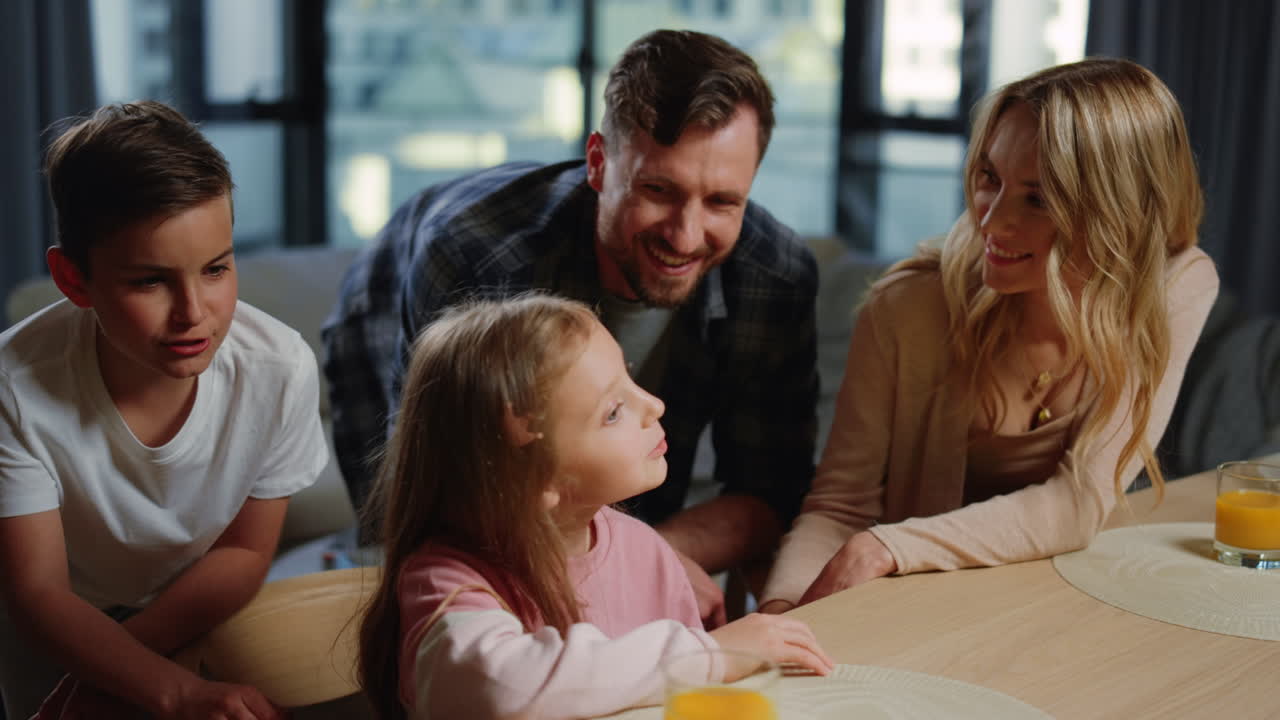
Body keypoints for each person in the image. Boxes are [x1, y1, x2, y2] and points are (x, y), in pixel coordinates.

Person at [323, 29, 819, 626]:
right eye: (659, 190)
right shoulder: (476, 258)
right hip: (387, 306)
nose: (685, 237)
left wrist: (654, 556)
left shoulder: (775, 274)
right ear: (598, 163)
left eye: (721, 202)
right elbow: (444, 501)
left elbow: (772, 491)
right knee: (412, 566)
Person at [760, 58, 1220, 612]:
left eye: (1039, 198)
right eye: (989, 178)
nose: (992, 221)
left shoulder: (1175, 286)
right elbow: (838, 507)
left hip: (1077, 601)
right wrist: (780, 613)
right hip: (922, 610)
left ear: (1116, 212)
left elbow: (1081, 501)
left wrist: (889, 545)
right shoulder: (907, 307)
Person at [0, 101, 330, 719]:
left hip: (194, 609)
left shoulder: (280, 368)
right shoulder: (14, 386)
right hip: (56, 632)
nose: (193, 312)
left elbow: (245, 552)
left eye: (215, 269)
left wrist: (143, 675)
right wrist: (118, 679)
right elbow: (37, 591)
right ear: (73, 280)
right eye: (150, 281)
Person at [356, 294, 832, 720]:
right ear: (537, 479)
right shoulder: (445, 583)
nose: (653, 405)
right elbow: (501, 690)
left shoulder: (645, 550)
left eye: (630, 378)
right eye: (613, 411)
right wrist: (708, 653)